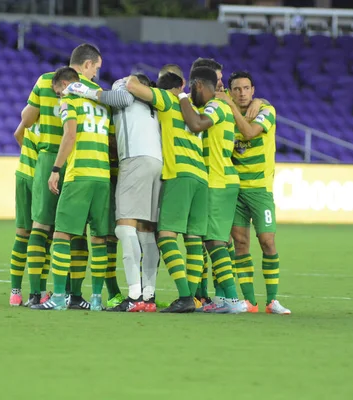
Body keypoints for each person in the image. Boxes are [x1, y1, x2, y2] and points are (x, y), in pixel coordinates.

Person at [64, 74, 162, 312]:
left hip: (135, 160)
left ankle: (134, 295)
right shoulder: (155, 107)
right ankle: (148, 296)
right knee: (146, 230)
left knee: (124, 227)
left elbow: (121, 98)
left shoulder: (129, 97)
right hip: (157, 164)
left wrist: (85, 91)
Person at [19, 43, 103, 308]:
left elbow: (27, 119)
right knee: (76, 232)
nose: (96, 75)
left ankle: (36, 294)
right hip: (80, 160)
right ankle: (74, 294)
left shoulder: (45, 81)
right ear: (87, 65)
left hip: (49, 158)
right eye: (96, 68)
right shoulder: (94, 91)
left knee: (41, 227)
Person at [31, 67, 113, 311]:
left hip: (79, 175)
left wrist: (55, 169)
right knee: (99, 238)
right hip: (103, 175)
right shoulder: (101, 100)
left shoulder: (69, 100)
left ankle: (57, 297)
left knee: (61, 235)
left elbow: (70, 135)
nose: (58, 97)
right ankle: (97, 299)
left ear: (66, 83)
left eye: (58, 92)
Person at [126, 70, 208, 313]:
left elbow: (132, 86)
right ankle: (192, 298)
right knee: (193, 240)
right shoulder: (193, 108)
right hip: (201, 177)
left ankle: (184, 296)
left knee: (165, 236)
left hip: (179, 174)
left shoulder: (168, 100)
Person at [221, 71, 291, 315]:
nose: (242, 93)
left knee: (267, 241)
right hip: (235, 190)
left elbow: (250, 133)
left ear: (253, 90)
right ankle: (250, 302)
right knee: (241, 244)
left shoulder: (266, 111)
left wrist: (232, 106)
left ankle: (273, 301)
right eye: (236, 89)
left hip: (260, 189)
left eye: (246, 88)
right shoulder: (223, 111)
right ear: (230, 91)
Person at [177, 67, 247, 314]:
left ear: (197, 85)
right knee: (215, 241)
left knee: (215, 242)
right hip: (223, 179)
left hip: (217, 181)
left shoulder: (215, 107)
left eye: (191, 90)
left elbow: (196, 125)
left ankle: (232, 299)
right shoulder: (221, 107)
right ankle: (223, 298)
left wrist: (180, 97)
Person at [8, 122, 45, 306]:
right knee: (43, 235)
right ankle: (40, 291)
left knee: (22, 234)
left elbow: (17, 133)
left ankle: (15, 293)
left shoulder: (31, 114)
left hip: (23, 173)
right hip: (42, 177)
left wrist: (28, 154)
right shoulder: (57, 115)